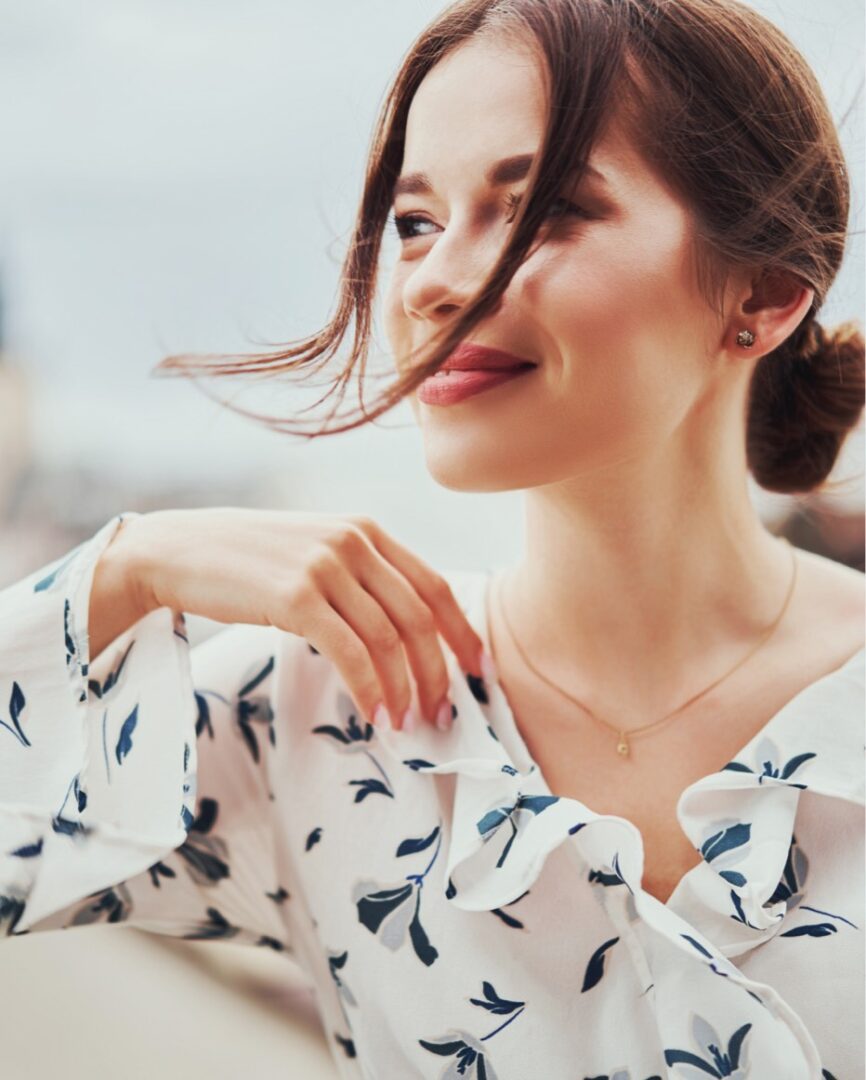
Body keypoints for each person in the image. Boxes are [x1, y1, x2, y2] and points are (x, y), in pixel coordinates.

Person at [2, 0, 864, 1076]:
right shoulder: (325, 709)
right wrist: (127, 570)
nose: (433, 281)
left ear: (767, 290)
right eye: (414, 221)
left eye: (542, 211)